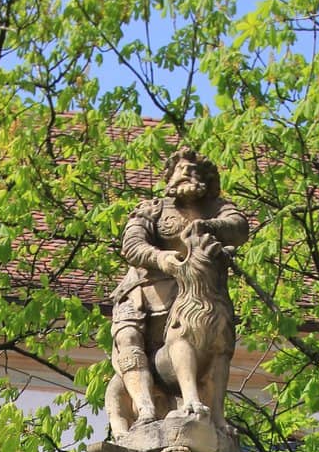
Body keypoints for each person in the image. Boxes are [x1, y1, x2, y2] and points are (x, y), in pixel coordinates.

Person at [107, 148, 250, 435]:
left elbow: (239, 228)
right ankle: (145, 406)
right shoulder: (153, 209)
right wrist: (164, 259)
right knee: (129, 337)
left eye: (196, 172)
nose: (188, 175)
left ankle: (202, 409)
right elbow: (132, 245)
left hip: (196, 289)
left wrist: (207, 225)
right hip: (143, 292)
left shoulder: (218, 209)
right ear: (170, 176)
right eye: (182, 170)